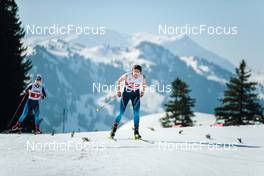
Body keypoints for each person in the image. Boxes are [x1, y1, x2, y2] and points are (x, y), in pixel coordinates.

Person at [110, 65, 147, 140]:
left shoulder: (142, 77)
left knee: (136, 113)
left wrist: (143, 91)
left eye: (138, 72)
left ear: (140, 72)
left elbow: (144, 84)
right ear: (132, 71)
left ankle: (136, 133)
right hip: (126, 94)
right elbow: (119, 81)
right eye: (135, 71)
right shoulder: (127, 76)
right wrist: (118, 91)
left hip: (136, 94)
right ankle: (113, 131)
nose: (136, 73)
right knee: (121, 113)